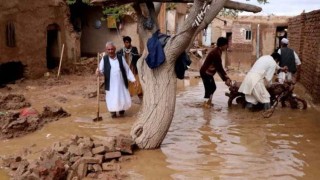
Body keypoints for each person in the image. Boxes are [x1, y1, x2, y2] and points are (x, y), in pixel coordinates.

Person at [96, 42, 137, 118]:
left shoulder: (120, 57)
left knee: (122, 97)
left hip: (121, 83)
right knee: (112, 98)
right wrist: (98, 72)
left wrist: (133, 80)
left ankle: (122, 111)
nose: (110, 51)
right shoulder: (104, 59)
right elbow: (100, 70)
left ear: (115, 49)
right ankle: (113, 113)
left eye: (112, 49)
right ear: (106, 50)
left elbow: (127, 70)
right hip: (110, 84)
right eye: (109, 49)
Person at [200, 37, 232, 107]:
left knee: (212, 87)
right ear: (223, 45)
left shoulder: (218, 51)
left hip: (208, 72)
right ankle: (206, 104)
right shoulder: (216, 53)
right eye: (227, 45)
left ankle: (208, 102)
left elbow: (219, 68)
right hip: (205, 72)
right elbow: (219, 68)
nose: (227, 46)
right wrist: (226, 78)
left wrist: (225, 78)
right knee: (211, 87)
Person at [117, 36, 143, 100]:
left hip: (133, 68)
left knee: (136, 82)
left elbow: (136, 56)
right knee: (126, 83)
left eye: (128, 42)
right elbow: (117, 56)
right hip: (125, 69)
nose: (127, 44)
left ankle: (140, 97)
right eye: (126, 42)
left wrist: (133, 54)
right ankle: (127, 97)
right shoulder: (121, 50)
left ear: (130, 42)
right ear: (124, 43)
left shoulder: (134, 49)